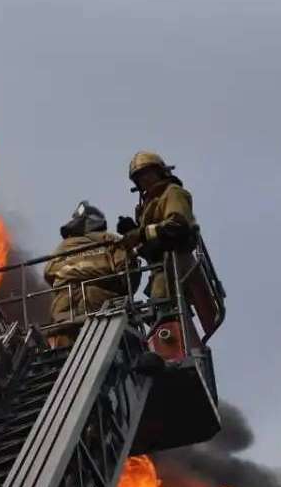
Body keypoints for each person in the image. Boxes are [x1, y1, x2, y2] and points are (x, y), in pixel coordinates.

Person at [117, 152, 197, 365]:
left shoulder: (173, 193)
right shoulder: (148, 204)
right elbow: (150, 241)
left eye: (148, 173)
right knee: (158, 306)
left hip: (174, 262)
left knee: (164, 305)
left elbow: (177, 225)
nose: (144, 179)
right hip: (159, 267)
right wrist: (133, 230)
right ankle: (163, 345)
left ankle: (171, 348)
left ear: (160, 172)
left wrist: (140, 233)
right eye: (139, 177)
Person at [43, 201, 137, 348]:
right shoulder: (111, 240)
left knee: (62, 351)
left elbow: (49, 273)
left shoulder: (64, 246)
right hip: (101, 306)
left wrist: (71, 274)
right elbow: (127, 273)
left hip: (65, 308)